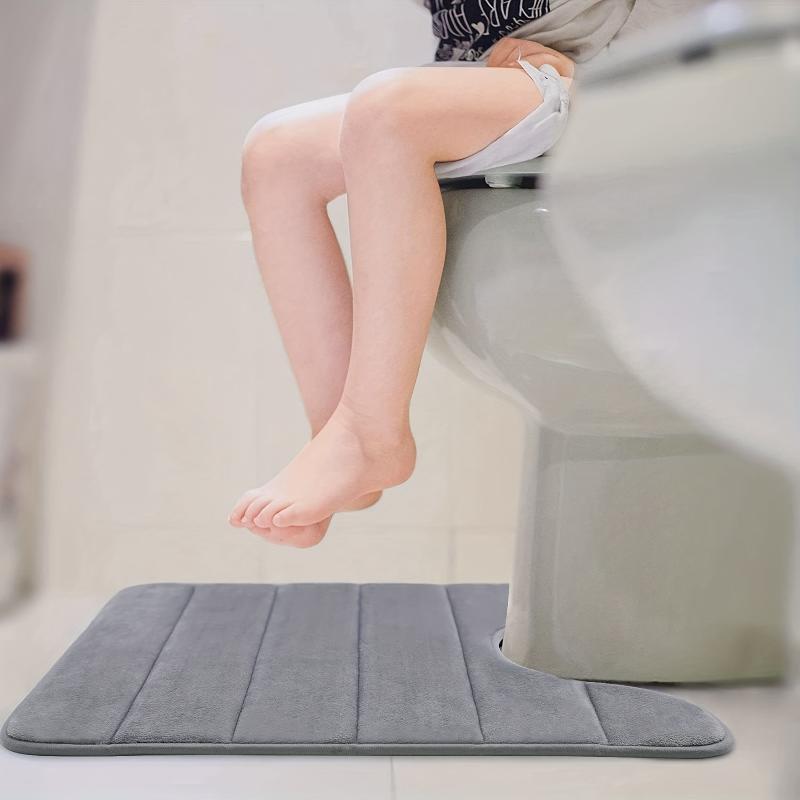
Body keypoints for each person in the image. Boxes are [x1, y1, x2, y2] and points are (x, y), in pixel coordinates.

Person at [228, 0, 634, 547]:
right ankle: (336, 437)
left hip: (626, 81)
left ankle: (370, 434)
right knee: (276, 151)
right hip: (504, 80)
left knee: (389, 109)